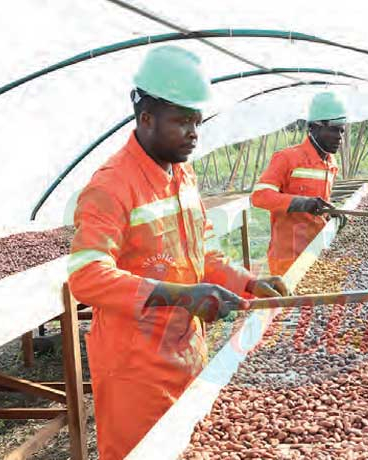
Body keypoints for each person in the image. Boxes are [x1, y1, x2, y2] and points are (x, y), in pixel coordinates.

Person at [67, 45, 288, 460]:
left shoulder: (182, 174)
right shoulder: (111, 186)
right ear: (146, 118)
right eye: (182, 121)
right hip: (135, 368)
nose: (193, 133)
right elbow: (87, 277)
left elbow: (201, 249)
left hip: (186, 351)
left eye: (197, 122)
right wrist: (182, 296)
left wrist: (248, 281)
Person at [250, 91, 347, 276]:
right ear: (314, 127)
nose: (339, 137)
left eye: (342, 130)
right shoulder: (287, 158)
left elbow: (320, 205)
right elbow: (259, 196)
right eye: (334, 129)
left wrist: (331, 213)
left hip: (316, 253)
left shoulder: (331, 163)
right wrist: (301, 203)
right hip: (287, 259)